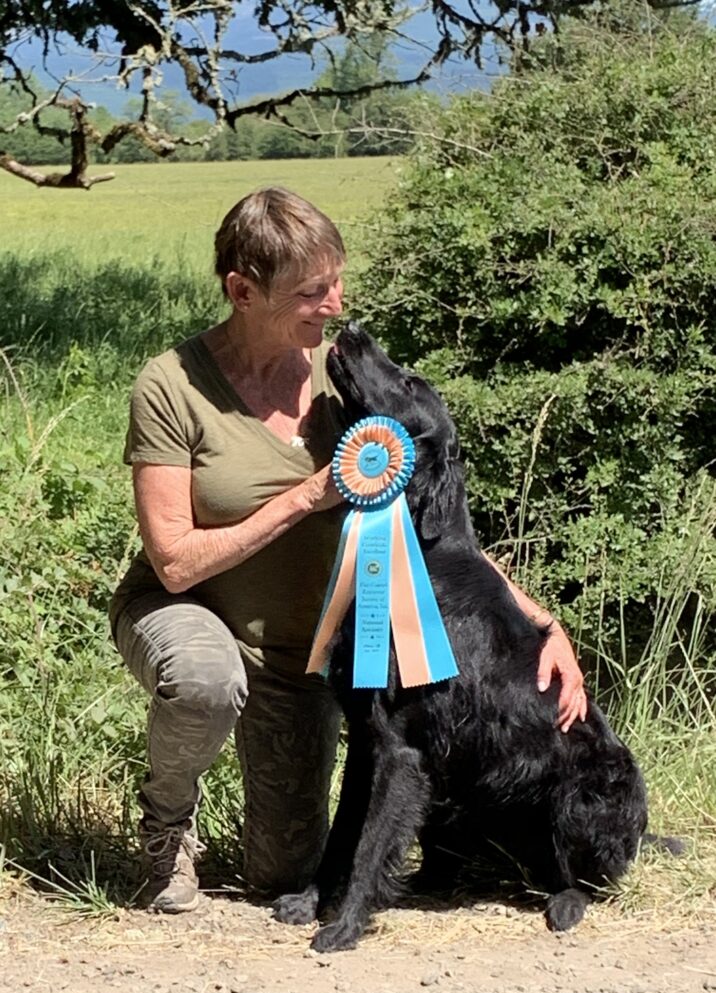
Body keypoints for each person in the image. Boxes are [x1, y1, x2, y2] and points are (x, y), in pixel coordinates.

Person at [110, 186, 587, 915]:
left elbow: (431, 530)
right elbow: (174, 560)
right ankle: (166, 837)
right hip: (196, 614)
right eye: (311, 292)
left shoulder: (343, 379)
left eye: (336, 280)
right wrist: (305, 496)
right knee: (205, 678)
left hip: (311, 655)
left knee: (282, 874)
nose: (335, 304)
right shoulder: (172, 386)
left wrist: (542, 624)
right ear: (242, 290)